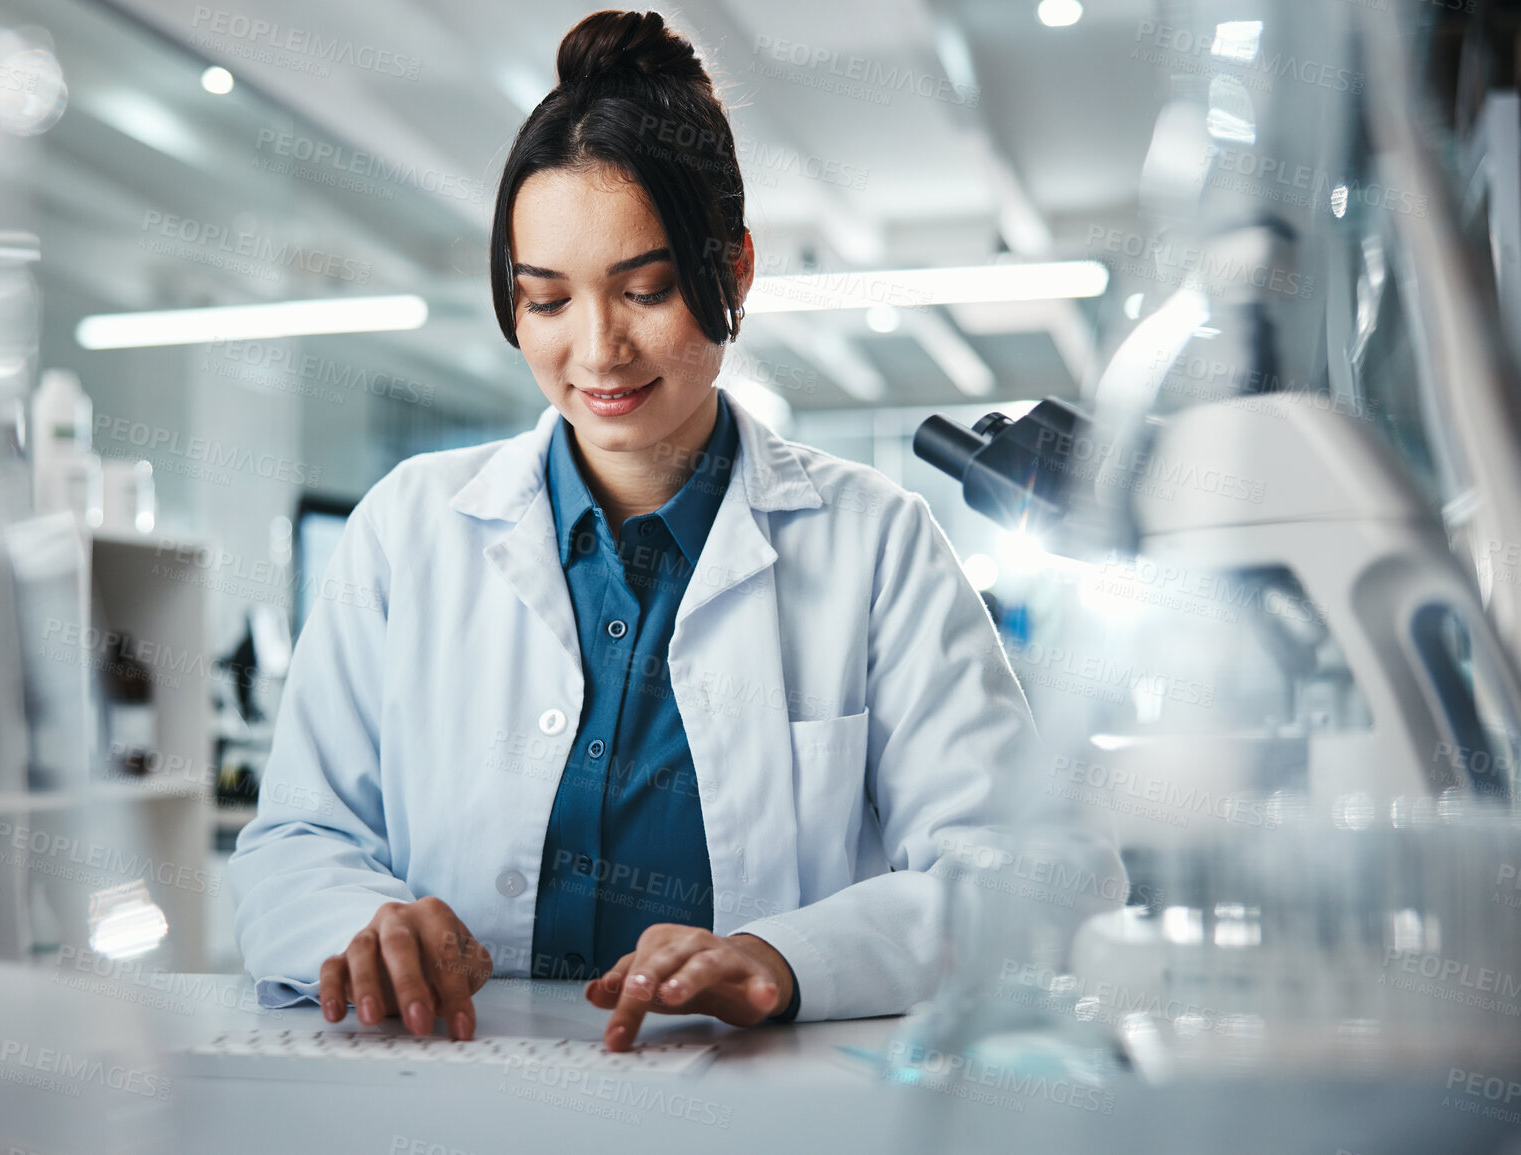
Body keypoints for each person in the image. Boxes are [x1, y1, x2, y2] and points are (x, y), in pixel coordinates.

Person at [228, 9, 1094, 1052]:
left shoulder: (877, 547)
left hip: (754, 1109)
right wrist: (362, 925)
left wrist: (787, 959)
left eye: (645, 290)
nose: (597, 351)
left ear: (733, 269)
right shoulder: (410, 531)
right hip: (459, 1103)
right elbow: (293, 844)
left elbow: (1031, 876)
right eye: (545, 300)